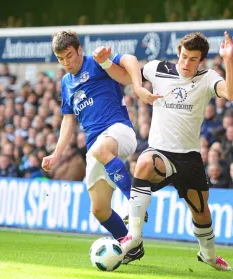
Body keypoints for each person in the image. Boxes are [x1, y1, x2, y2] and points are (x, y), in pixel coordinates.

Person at [95, 31, 233, 270]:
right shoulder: (158, 69)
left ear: (202, 61)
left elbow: (230, 93)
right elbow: (125, 74)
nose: (186, 63)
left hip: (189, 157)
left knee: (202, 213)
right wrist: (107, 63)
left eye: (193, 59)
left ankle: (208, 256)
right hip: (160, 152)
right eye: (184, 56)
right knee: (144, 162)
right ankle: (134, 236)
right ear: (178, 53)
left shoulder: (208, 77)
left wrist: (229, 60)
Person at [41, 30, 156, 263]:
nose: (66, 63)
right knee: (99, 210)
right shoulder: (65, 83)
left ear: (79, 50)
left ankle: (134, 201)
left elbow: (131, 60)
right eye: (61, 59)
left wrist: (136, 85)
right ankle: (131, 246)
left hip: (119, 130)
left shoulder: (96, 61)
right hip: (97, 146)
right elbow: (68, 119)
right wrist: (56, 153)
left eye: (70, 56)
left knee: (100, 150)